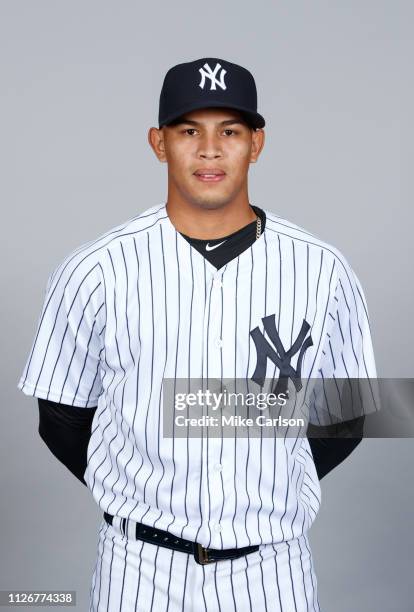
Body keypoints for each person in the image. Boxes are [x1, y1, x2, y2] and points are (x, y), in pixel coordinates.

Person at [17, 57, 376, 612]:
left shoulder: (323, 268)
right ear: (158, 143)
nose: (210, 149)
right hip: (138, 569)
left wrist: (266, 476)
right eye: (189, 131)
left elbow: (347, 417)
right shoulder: (94, 269)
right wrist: (146, 483)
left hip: (272, 570)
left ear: (256, 143)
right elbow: (60, 419)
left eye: (229, 131)